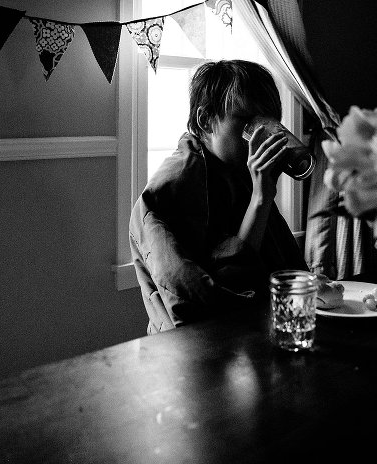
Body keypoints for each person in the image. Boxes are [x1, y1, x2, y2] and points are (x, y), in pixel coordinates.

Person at [129, 60, 309, 333]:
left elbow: (284, 274)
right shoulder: (169, 188)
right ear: (205, 120)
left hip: (251, 340)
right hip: (192, 354)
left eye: (269, 123)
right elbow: (202, 303)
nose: (260, 136)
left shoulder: (238, 172)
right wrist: (261, 199)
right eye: (248, 122)